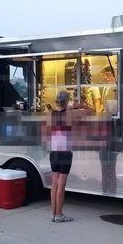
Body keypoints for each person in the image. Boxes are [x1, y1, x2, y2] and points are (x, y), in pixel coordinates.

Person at [49, 91, 74, 223]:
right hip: (65, 152)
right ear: (67, 101)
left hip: (54, 152)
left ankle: (53, 214)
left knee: (54, 183)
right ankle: (59, 215)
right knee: (61, 183)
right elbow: (91, 110)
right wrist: (79, 105)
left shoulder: (52, 114)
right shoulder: (69, 115)